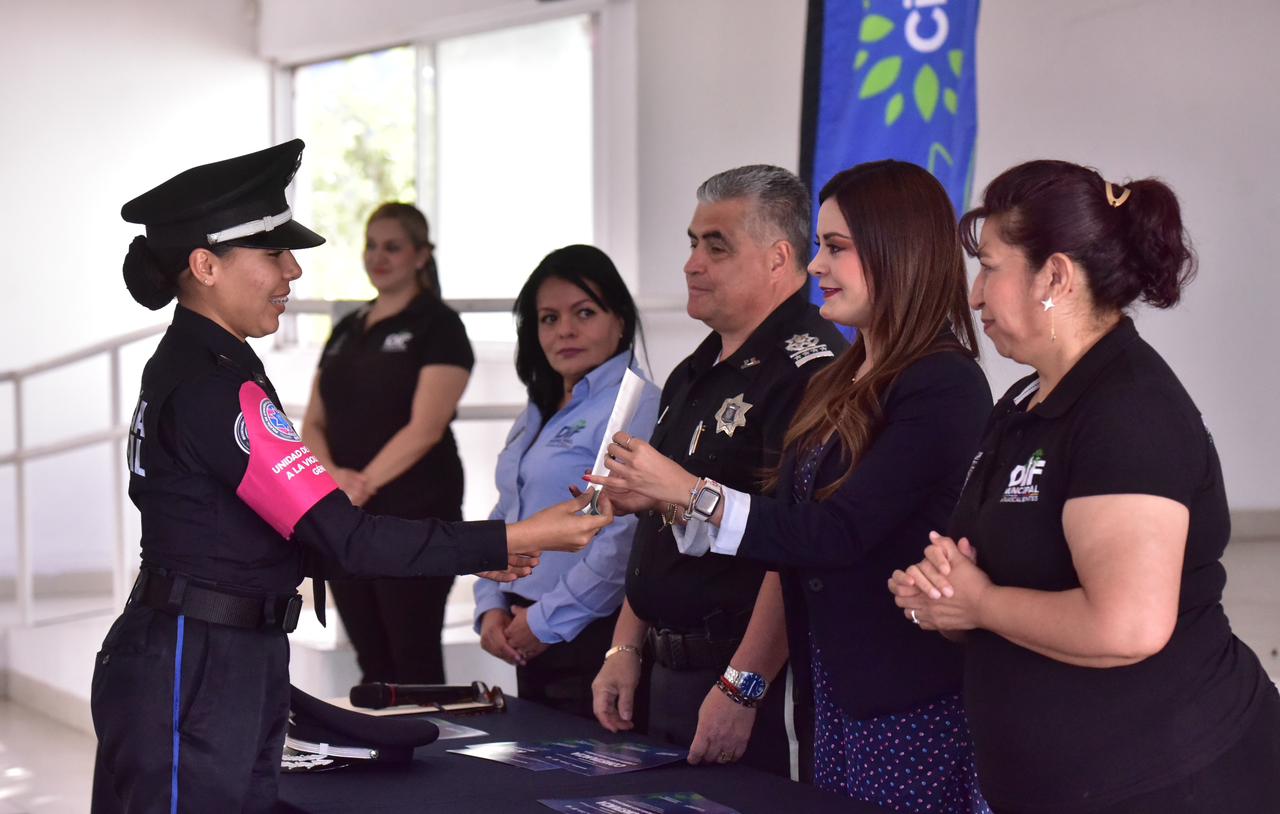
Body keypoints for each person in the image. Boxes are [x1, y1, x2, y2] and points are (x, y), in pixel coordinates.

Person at [93, 140, 610, 814]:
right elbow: (347, 537)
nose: (293, 269)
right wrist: (517, 537)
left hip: (211, 654)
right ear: (206, 265)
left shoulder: (200, 364)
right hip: (201, 663)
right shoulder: (214, 385)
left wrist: (485, 548)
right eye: (273, 252)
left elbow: (257, 531)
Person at [593, 160, 991, 811]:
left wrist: (691, 493)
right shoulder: (844, 376)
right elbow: (784, 523)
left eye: (835, 248)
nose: (816, 266)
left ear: (897, 252)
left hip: (904, 694)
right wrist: (669, 501)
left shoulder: (942, 383)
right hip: (827, 692)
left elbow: (836, 533)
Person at [891, 159, 1280, 813]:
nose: (975, 296)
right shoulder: (1026, 401)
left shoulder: (1129, 408)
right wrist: (945, 598)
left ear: (1055, 276)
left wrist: (982, 603)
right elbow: (993, 577)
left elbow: (1128, 626)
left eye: (989, 268)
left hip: (1172, 781)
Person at [589, 165, 847, 777]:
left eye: (717, 246)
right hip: (666, 666)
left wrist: (742, 687)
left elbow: (796, 548)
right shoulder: (696, 368)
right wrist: (625, 644)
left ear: (778, 258)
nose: (691, 264)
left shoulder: (811, 372)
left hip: (747, 676)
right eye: (692, 243)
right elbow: (657, 520)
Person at [473, 244, 661, 720]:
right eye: (549, 319)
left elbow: (621, 538)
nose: (565, 331)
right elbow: (507, 507)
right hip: (523, 624)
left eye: (585, 313)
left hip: (589, 634)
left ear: (620, 320)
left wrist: (546, 621)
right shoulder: (541, 407)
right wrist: (490, 603)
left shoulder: (635, 404)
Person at [301, 202, 469, 685]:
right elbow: (313, 420)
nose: (378, 256)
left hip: (414, 512)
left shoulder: (439, 325)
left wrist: (361, 484)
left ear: (421, 255)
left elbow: (426, 427)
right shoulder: (347, 328)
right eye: (371, 246)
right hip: (346, 515)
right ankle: (378, 737)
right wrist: (334, 479)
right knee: (371, 662)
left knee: (414, 660)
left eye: (392, 247)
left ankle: (431, 738)